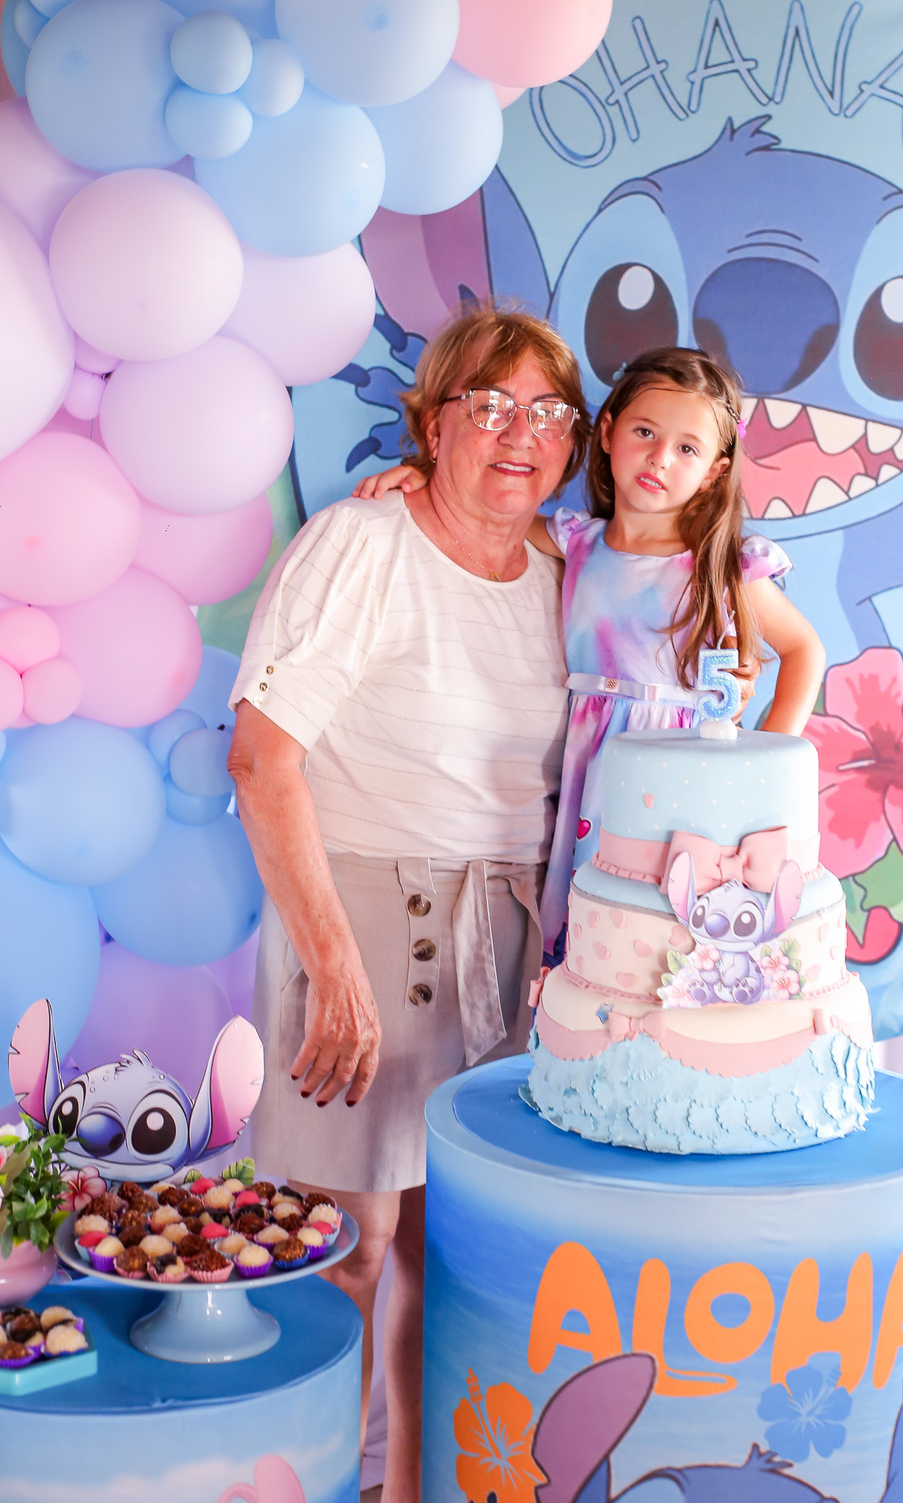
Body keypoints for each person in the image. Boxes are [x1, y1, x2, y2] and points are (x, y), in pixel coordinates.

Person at [226, 301, 588, 1503]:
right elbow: (264, 760)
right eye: (490, 406)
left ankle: (413, 1491)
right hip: (371, 925)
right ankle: (310, 1483)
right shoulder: (362, 545)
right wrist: (335, 970)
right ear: (434, 425)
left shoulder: (566, 574)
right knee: (347, 1249)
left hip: (508, 946)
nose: (520, 433)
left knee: (457, 1260)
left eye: (548, 411)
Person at [354, 345, 824, 964]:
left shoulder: (721, 565)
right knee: (597, 928)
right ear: (607, 432)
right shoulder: (576, 541)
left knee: (667, 928)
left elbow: (804, 650)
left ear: (715, 470)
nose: (660, 457)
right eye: (645, 432)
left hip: (679, 768)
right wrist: (425, 477)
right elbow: (481, 514)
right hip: (588, 765)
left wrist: (761, 766)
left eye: (687, 448)